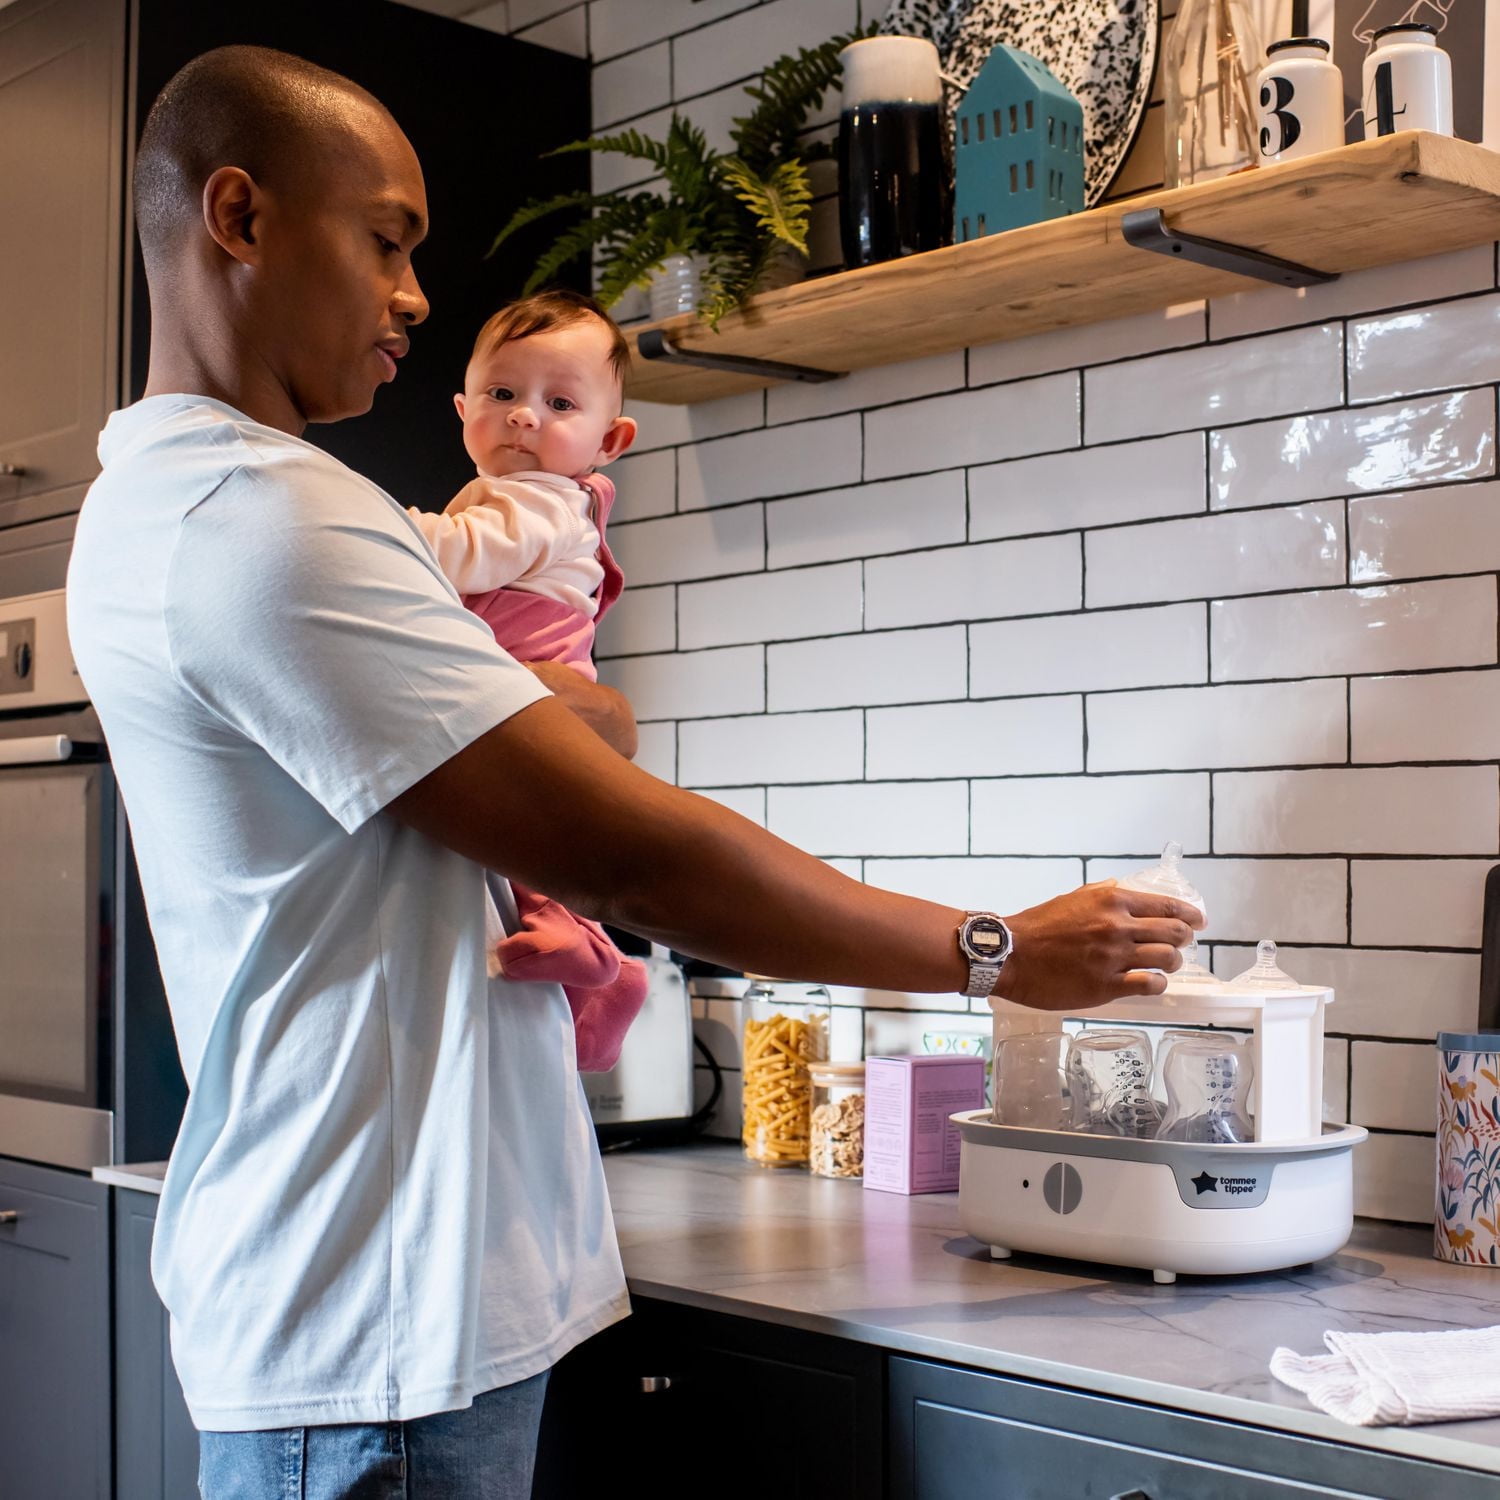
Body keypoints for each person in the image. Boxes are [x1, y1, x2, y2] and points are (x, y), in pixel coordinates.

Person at [65, 43, 1203, 1500]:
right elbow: (630, 852)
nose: (416, 297)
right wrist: (994, 952)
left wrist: (553, 716)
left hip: (363, 1306)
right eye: (388, 243)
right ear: (240, 215)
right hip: (378, 1335)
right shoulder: (268, 516)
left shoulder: (153, 504)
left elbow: (566, 754)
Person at [407, 289, 647, 1072]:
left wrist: (381, 527)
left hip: (536, 681)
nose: (522, 416)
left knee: (525, 827)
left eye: (559, 402)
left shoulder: (539, 502)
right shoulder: (525, 495)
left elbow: (461, 555)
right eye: (502, 394)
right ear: (461, 407)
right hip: (529, 681)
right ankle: (607, 974)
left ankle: (588, 952)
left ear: (608, 438)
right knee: (532, 827)